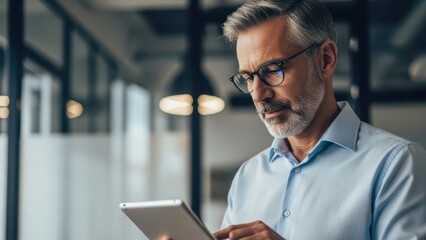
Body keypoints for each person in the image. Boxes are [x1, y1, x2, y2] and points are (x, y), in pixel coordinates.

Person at [212, 0, 426, 239]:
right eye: (248, 78)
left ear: (326, 59)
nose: (259, 94)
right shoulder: (247, 177)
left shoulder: (395, 164)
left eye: (272, 70)